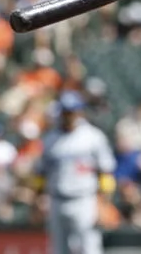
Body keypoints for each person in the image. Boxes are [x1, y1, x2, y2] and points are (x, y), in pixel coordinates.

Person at [34, 91, 116, 254]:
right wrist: (38, 199)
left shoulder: (93, 136)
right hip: (56, 200)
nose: (68, 116)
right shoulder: (50, 139)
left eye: (72, 111)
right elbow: (41, 173)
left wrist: (103, 203)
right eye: (65, 112)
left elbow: (106, 172)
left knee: (89, 248)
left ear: (80, 112)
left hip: (84, 200)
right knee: (58, 249)